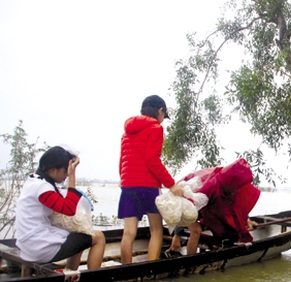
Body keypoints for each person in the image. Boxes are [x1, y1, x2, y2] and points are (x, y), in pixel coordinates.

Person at [15, 146, 106, 270]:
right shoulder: (42, 188)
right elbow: (68, 209)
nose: (66, 176)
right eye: (65, 171)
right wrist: (72, 177)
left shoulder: (34, 181)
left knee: (78, 236)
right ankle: (95, 279)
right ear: (53, 170)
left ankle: (71, 274)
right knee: (99, 237)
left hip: (28, 244)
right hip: (38, 247)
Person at [118, 95, 183, 264]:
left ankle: (126, 270)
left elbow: (122, 161)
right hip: (148, 186)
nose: (162, 120)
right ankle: (150, 267)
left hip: (128, 186)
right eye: (163, 115)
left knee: (128, 233)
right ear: (160, 110)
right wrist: (171, 184)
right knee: (156, 230)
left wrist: (123, 180)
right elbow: (152, 160)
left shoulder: (127, 132)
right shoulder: (156, 128)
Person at [164, 159, 260, 256]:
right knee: (196, 231)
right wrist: (177, 235)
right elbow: (186, 206)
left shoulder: (230, 189)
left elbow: (237, 207)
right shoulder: (210, 186)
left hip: (200, 204)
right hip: (182, 201)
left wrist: (247, 220)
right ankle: (190, 264)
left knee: (230, 232)